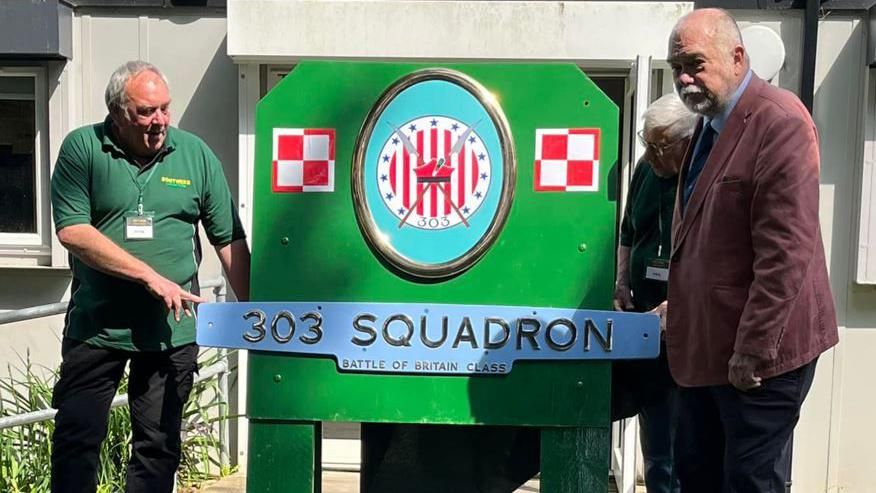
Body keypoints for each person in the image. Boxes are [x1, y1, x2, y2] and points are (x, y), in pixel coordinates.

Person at [49, 60, 250, 493]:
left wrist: (258, 315)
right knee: (76, 441)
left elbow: (228, 239)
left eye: (164, 109)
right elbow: (72, 231)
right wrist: (149, 277)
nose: (158, 122)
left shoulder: (194, 154)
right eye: (145, 112)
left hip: (170, 333)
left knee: (158, 448)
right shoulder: (83, 149)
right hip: (96, 329)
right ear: (117, 111)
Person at [665, 9, 838, 492]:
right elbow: (709, 238)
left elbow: (786, 253)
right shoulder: (709, 124)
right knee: (696, 475)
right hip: (709, 348)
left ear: (737, 57)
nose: (683, 77)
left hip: (759, 357)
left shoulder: (779, 122)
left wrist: (754, 350)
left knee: (749, 483)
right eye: (676, 65)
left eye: (695, 63)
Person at [613, 93, 695, 493]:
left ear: (687, 142)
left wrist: (678, 301)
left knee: (687, 443)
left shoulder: (704, 172)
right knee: (656, 437)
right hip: (647, 323)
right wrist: (622, 281)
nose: (650, 153)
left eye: (659, 145)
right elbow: (629, 230)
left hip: (691, 328)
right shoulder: (647, 169)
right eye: (647, 142)